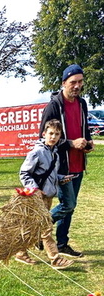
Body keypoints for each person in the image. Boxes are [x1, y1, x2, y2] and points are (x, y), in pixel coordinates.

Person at [39, 64, 93, 258]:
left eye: (80, 82)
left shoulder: (82, 103)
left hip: (79, 162)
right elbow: (43, 139)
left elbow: (84, 129)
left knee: (71, 206)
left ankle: (62, 243)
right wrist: (71, 143)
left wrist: (88, 141)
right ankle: (39, 228)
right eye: (73, 82)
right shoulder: (53, 106)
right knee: (67, 205)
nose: (77, 86)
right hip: (61, 166)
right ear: (64, 83)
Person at [15, 119, 73, 269]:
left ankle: (20, 252)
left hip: (48, 196)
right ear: (44, 134)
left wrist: (61, 178)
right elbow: (24, 173)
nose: (53, 137)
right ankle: (55, 258)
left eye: (57, 134)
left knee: (33, 226)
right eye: (51, 133)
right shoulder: (37, 152)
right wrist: (34, 189)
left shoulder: (55, 154)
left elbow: (50, 174)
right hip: (37, 196)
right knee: (46, 227)